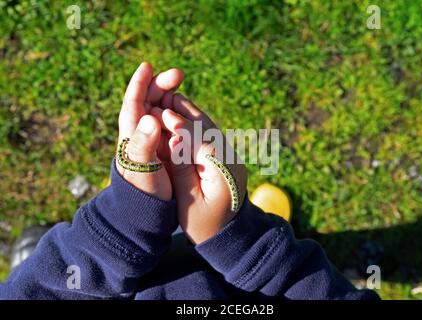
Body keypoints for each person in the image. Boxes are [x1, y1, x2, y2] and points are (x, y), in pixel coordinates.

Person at [0, 62, 379, 300]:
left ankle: (157, 222)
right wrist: (244, 242)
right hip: (244, 283)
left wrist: (124, 223)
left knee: (50, 268)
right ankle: (204, 228)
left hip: (119, 278)